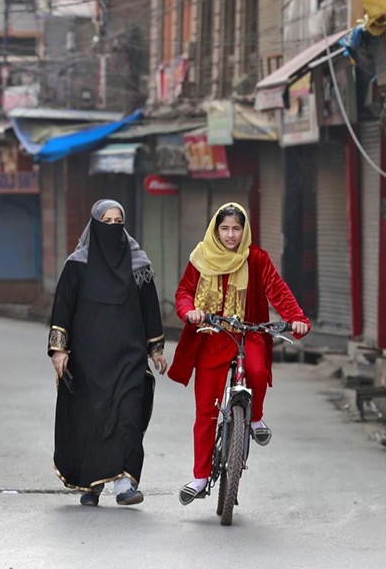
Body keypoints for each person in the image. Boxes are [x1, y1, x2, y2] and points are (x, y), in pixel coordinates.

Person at [168, 202, 310, 505]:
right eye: (225, 228)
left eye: (236, 228)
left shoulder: (256, 258)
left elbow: (278, 290)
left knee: (257, 371)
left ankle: (255, 418)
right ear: (215, 230)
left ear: (244, 231)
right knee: (206, 410)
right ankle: (200, 477)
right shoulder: (200, 257)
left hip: (249, 333)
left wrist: (297, 318)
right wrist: (190, 311)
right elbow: (184, 292)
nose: (231, 234)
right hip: (211, 336)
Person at [47, 199, 167, 507]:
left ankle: (124, 485)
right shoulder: (77, 265)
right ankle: (92, 484)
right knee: (93, 420)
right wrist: (59, 350)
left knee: (128, 416)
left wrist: (156, 349)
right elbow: (63, 309)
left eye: (118, 222)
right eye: (107, 222)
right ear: (95, 225)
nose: (113, 227)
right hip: (89, 359)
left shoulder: (138, 264)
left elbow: (150, 308)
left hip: (129, 355)